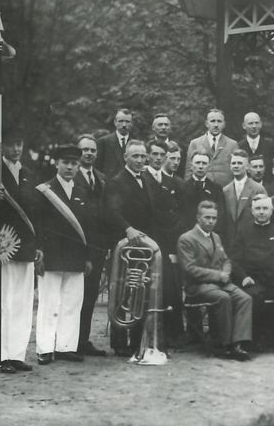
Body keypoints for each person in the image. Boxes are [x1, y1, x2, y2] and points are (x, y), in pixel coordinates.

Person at [0, 129, 40, 373]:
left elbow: (36, 213)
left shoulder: (28, 174)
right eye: (11, 144)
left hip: (26, 246)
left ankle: (16, 354)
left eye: (19, 144)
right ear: (2, 147)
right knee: (2, 302)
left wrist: (39, 246)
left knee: (21, 303)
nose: (16, 149)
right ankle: (0, 355)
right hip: (3, 246)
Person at [34, 145, 94, 365]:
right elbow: (37, 224)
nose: (70, 167)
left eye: (74, 163)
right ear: (57, 164)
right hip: (51, 255)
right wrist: (38, 252)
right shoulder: (45, 190)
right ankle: (45, 348)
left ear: (78, 166)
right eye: (65, 163)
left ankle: (65, 347)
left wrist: (88, 257)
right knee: (49, 304)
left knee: (71, 304)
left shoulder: (82, 191)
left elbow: (88, 227)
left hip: (76, 257)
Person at [177, 201, 253, 361]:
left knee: (245, 298)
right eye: (207, 217)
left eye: (214, 218)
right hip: (197, 286)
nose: (211, 221)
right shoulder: (187, 238)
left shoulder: (216, 237)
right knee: (223, 298)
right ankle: (224, 344)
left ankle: (238, 343)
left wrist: (225, 273)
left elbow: (226, 259)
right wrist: (218, 275)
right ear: (198, 217)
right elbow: (190, 268)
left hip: (220, 283)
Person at [230, 195, 274, 352]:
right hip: (253, 281)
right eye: (258, 208)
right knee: (254, 298)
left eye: (265, 208)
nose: (261, 212)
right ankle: (258, 340)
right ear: (252, 211)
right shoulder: (243, 232)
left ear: (271, 211)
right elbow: (234, 260)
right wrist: (244, 277)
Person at [103, 139, 156, 356]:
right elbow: (111, 212)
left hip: (143, 248)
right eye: (135, 156)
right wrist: (128, 229)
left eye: (143, 156)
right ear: (126, 157)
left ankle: (136, 342)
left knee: (140, 293)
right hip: (125, 248)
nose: (140, 160)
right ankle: (119, 344)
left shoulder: (147, 179)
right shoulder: (116, 181)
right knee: (122, 293)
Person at [143, 138, 189, 347]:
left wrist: (172, 247)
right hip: (146, 242)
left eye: (162, 155)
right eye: (154, 154)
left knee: (171, 289)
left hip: (167, 243)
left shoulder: (172, 182)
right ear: (148, 156)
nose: (158, 158)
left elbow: (177, 215)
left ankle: (172, 336)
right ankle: (145, 336)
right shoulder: (142, 178)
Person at [75, 134, 109, 357]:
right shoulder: (70, 176)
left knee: (90, 295)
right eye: (85, 149)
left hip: (97, 246)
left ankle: (83, 340)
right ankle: (67, 341)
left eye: (92, 150)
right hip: (76, 244)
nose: (89, 153)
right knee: (73, 296)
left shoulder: (102, 178)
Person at [221, 149, 266, 245]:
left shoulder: (258, 189)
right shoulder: (225, 191)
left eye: (239, 163)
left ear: (247, 167)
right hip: (231, 242)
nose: (236, 166)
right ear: (230, 167)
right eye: (233, 163)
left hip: (252, 240)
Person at [185, 108, 239, 187]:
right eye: (213, 121)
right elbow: (189, 170)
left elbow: (237, 170)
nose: (216, 125)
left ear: (224, 124)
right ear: (207, 123)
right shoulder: (195, 143)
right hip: (200, 188)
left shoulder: (232, 144)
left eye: (219, 121)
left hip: (225, 188)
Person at [183, 150, 225, 232]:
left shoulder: (216, 189)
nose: (201, 166)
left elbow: (220, 216)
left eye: (204, 163)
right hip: (187, 233)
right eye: (197, 163)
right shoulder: (182, 187)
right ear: (191, 165)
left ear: (209, 166)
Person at [95, 108, 133, 178]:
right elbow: (97, 168)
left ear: (131, 123)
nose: (124, 125)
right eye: (121, 121)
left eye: (127, 121)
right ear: (115, 122)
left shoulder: (135, 144)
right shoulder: (103, 142)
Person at [149, 113, 185, 178]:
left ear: (170, 128)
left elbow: (181, 173)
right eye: (160, 125)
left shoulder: (178, 148)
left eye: (166, 125)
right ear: (153, 128)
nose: (163, 127)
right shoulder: (147, 147)